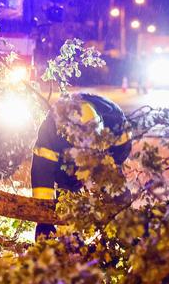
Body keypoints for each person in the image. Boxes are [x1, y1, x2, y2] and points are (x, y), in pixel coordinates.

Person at [31, 92, 131, 240]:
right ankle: (71, 236)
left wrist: (101, 175)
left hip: (104, 159)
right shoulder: (51, 134)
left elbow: (119, 157)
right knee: (67, 192)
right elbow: (42, 175)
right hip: (66, 164)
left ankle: (123, 232)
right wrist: (43, 219)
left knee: (115, 192)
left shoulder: (115, 122)